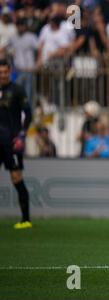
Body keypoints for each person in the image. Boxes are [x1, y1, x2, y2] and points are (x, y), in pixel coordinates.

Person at [0, 59, 32, 229]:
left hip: (12, 142)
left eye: (5, 72)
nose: (3, 75)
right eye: (0, 72)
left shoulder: (17, 90)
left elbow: (29, 114)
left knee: (16, 178)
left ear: (10, 71)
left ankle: (25, 220)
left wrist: (22, 135)